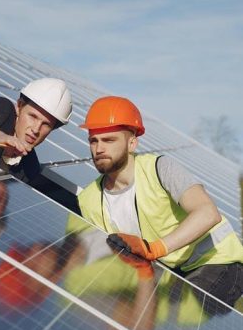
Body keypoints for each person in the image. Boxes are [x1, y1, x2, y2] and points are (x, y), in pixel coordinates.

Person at [76, 96, 243, 306]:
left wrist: (154, 249)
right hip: (167, 273)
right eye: (93, 140)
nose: (99, 149)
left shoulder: (159, 169)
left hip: (216, 261)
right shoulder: (89, 199)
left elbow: (207, 212)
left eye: (109, 140)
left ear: (132, 143)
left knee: (192, 312)